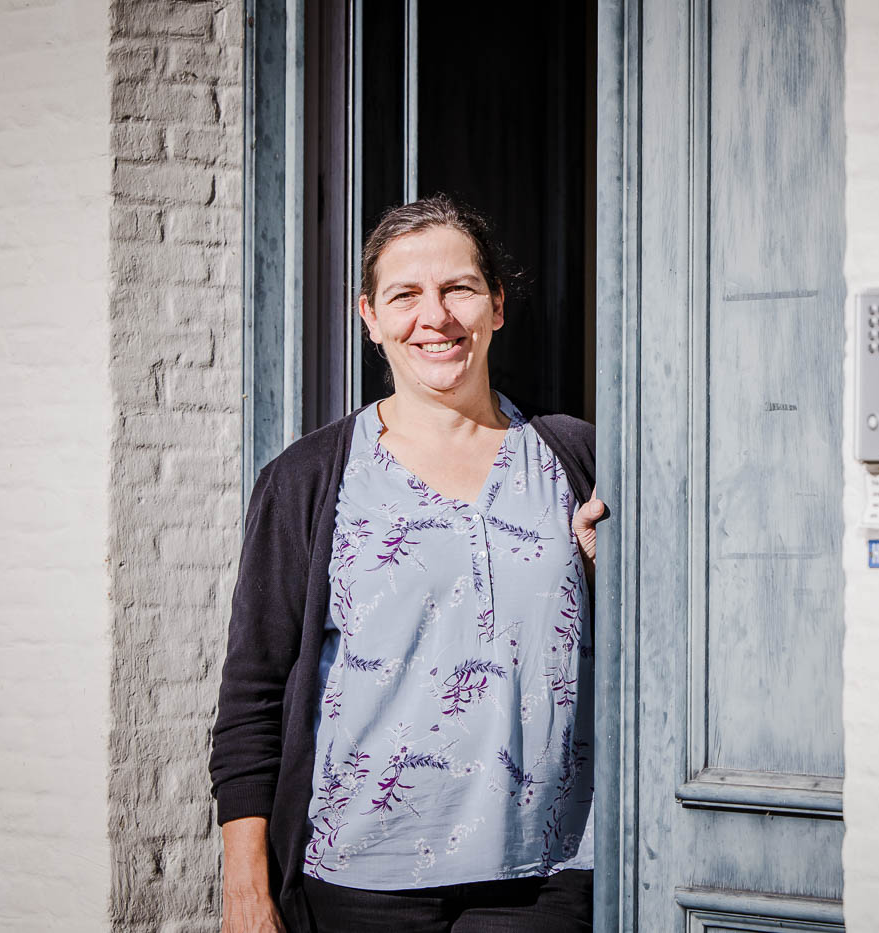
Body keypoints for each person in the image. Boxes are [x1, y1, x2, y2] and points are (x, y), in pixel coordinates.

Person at [210, 194, 605, 933]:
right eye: (405, 295)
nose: (436, 316)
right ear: (370, 317)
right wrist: (245, 882)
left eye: (458, 288)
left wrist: (602, 578)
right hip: (362, 877)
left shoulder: (573, 458)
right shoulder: (310, 479)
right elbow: (253, 689)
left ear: (496, 304)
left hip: (543, 873)